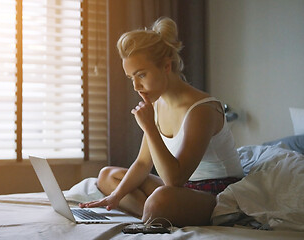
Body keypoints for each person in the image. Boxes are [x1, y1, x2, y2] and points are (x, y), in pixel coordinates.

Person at [79, 17, 244, 227]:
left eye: (141, 75)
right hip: (182, 191)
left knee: (161, 199)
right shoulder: (157, 105)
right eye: (131, 78)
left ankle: (155, 211)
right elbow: (142, 163)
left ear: (166, 66)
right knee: (107, 176)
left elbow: (174, 179)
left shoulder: (202, 109)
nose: (136, 86)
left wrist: (149, 127)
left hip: (216, 193)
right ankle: (153, 213)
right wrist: (116, 197)